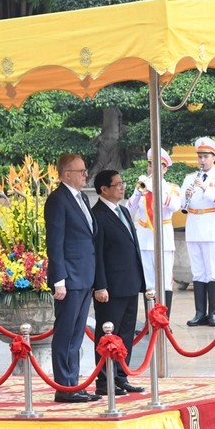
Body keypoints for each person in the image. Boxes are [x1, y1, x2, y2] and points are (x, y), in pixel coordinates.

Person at [45, 154, 101, 403]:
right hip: (69, 278)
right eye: (81, 171)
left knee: (77, 335)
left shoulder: (83, 198)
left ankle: (73, 383)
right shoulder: (58, 200)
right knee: (65, 333)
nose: (85, 174)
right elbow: (55, 242)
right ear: (67, 174)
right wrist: (59, 278)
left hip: (85, 275)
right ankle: (63, 387)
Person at [92, 170, 146, 396]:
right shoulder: (97, 214)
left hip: (130, 282)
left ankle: (121, 376)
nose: (122, 187)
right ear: (104, 189)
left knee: (125, 333)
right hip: (111, 286)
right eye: (117, 184)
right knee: (108, 334)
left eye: (123, 183)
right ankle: (105, 380)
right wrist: (100, 285)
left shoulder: (123, 210)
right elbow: (98, 253)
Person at [181, 137, 215, 327]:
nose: (202, 160)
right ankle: (199, 312)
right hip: (194, 226)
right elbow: (181, 203)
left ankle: (213, 313)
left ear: (213, 158)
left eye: (205, 157)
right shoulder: (189, 178)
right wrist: (186, 195)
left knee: (212, 271)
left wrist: (206, 189)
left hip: (212, 227)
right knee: (198, 272)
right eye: (200, 157)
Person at [126, 148, 180, 318]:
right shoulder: (142, 187)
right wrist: (137, 192)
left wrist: (153, 188)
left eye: (157, 166)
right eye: (150, 165)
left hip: (163, 239)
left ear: (165, 169)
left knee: (164, 282)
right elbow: (128, 210)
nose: (152, 169)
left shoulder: (171, 188)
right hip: (144, 239)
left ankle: (164, 320)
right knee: (148, 282)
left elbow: (174, 206)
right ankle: (150, 321)